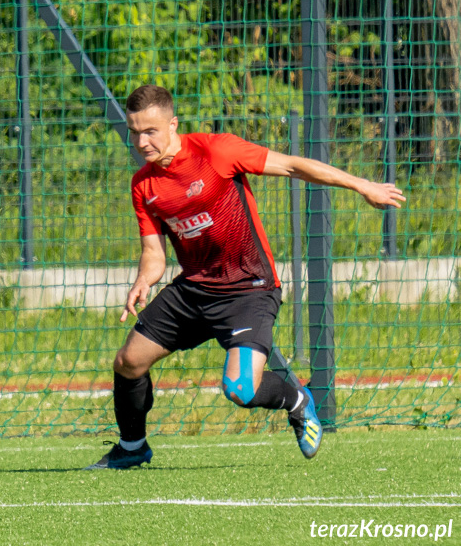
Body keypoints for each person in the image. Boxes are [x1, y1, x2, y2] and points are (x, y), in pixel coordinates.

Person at [88, 85, 405, 469]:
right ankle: (132, 447)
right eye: (134, 132)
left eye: (150, 131)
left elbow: (292, 165)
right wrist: (143, 281)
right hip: (194, 290)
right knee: (128, 361)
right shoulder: (144, 185)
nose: (141, 141)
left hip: (249, 289)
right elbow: (154, 254)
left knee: (239, 389)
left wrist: (361, 185)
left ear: (173, 124)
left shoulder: (215, 151)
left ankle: (297, 400)